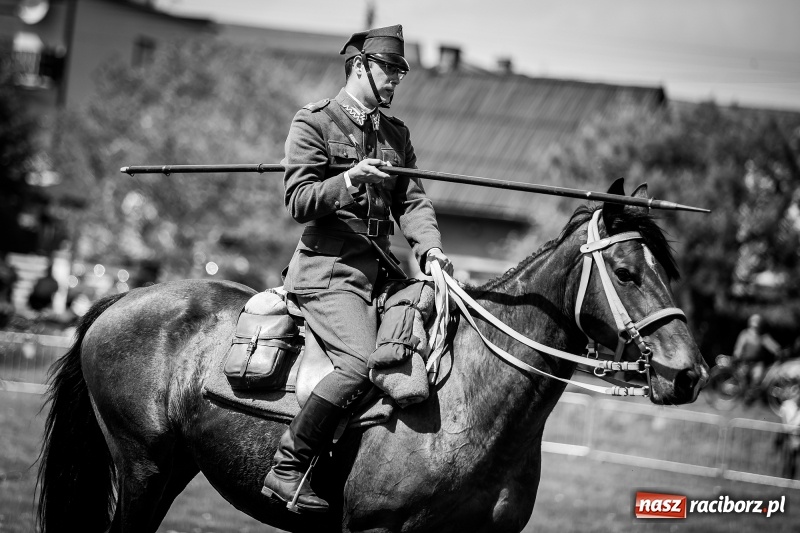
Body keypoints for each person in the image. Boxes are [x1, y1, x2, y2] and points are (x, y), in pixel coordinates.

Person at [261, 24, 453, 513]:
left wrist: (429, 251)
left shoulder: (395, 135)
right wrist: (347, 179)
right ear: (359, 66)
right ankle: (288, 466)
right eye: (389, 69)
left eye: (399, 72)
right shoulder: (314, 123)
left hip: (383, 275)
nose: (395, 79)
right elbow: (299, 200)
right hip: (328, 273)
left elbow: (412, 203)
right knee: (359, 363)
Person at [732, 314, 780, 398]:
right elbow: (739, 346)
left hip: (757, 363)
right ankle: (740, 395)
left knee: (757, 379)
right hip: (745, 362)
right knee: (740, 380)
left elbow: (772, 345)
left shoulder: (762, 337)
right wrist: (737, 354)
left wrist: (778, 351)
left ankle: (750, 396)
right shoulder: (745, 334)